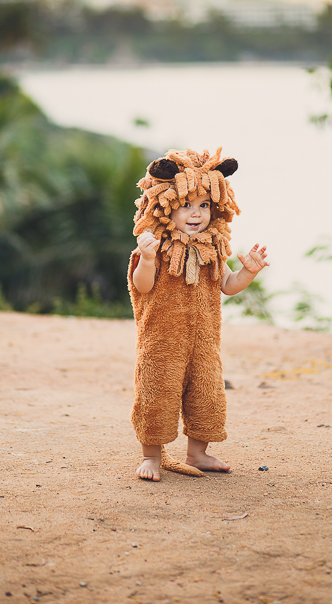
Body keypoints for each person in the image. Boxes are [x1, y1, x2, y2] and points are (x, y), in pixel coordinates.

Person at [128, 147, 268, 481]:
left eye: (204, 205)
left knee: (207, 395)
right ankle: (151, 456)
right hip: (162, 341)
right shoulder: (154, 248)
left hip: (204, 341)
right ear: (165, 207)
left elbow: (228, 285)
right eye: (186, 205)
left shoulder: (211, 249)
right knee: (157, 395)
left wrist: (247, 272)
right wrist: (147, 260)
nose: (196, 214)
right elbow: (142, 286)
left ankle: (198, 452)